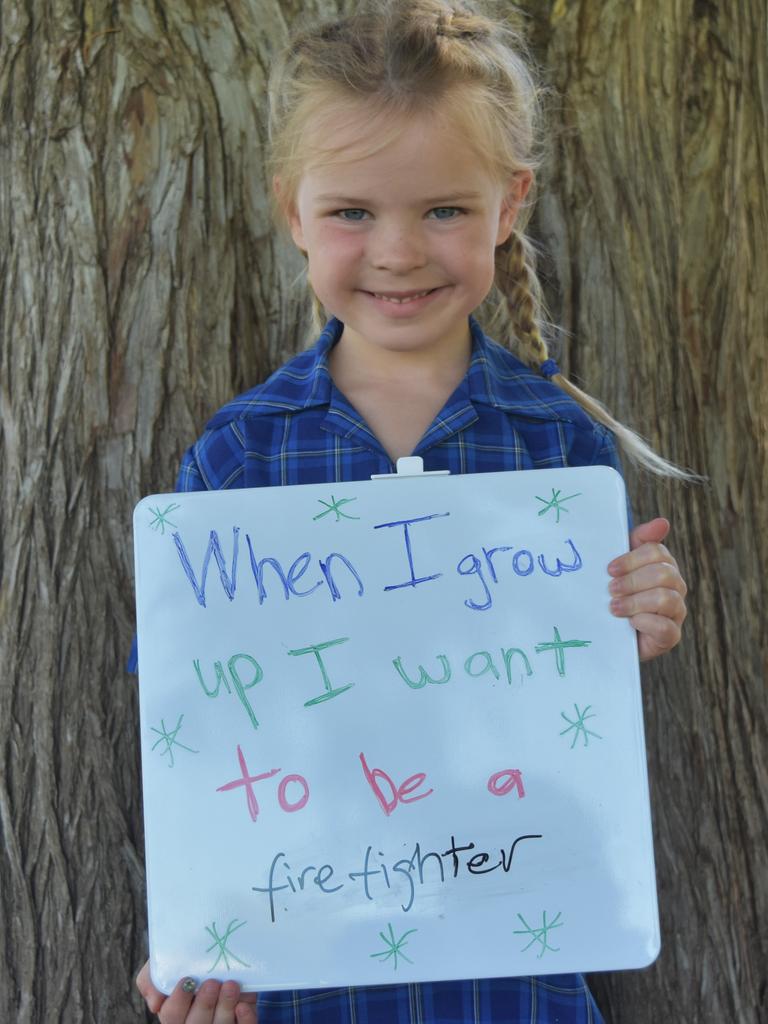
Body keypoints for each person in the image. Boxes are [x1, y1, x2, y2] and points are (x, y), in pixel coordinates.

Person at [135, 1, 690, 1020]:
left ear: (509, 203)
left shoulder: (557, 445)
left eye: (443, 209)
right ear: (292, 212)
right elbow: (190, 717)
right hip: (306, 949)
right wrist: (193, 928)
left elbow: (577, 685)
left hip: (512, 942)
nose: (397, 251)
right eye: (352, 211)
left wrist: (637, 613)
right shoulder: (242, 453)